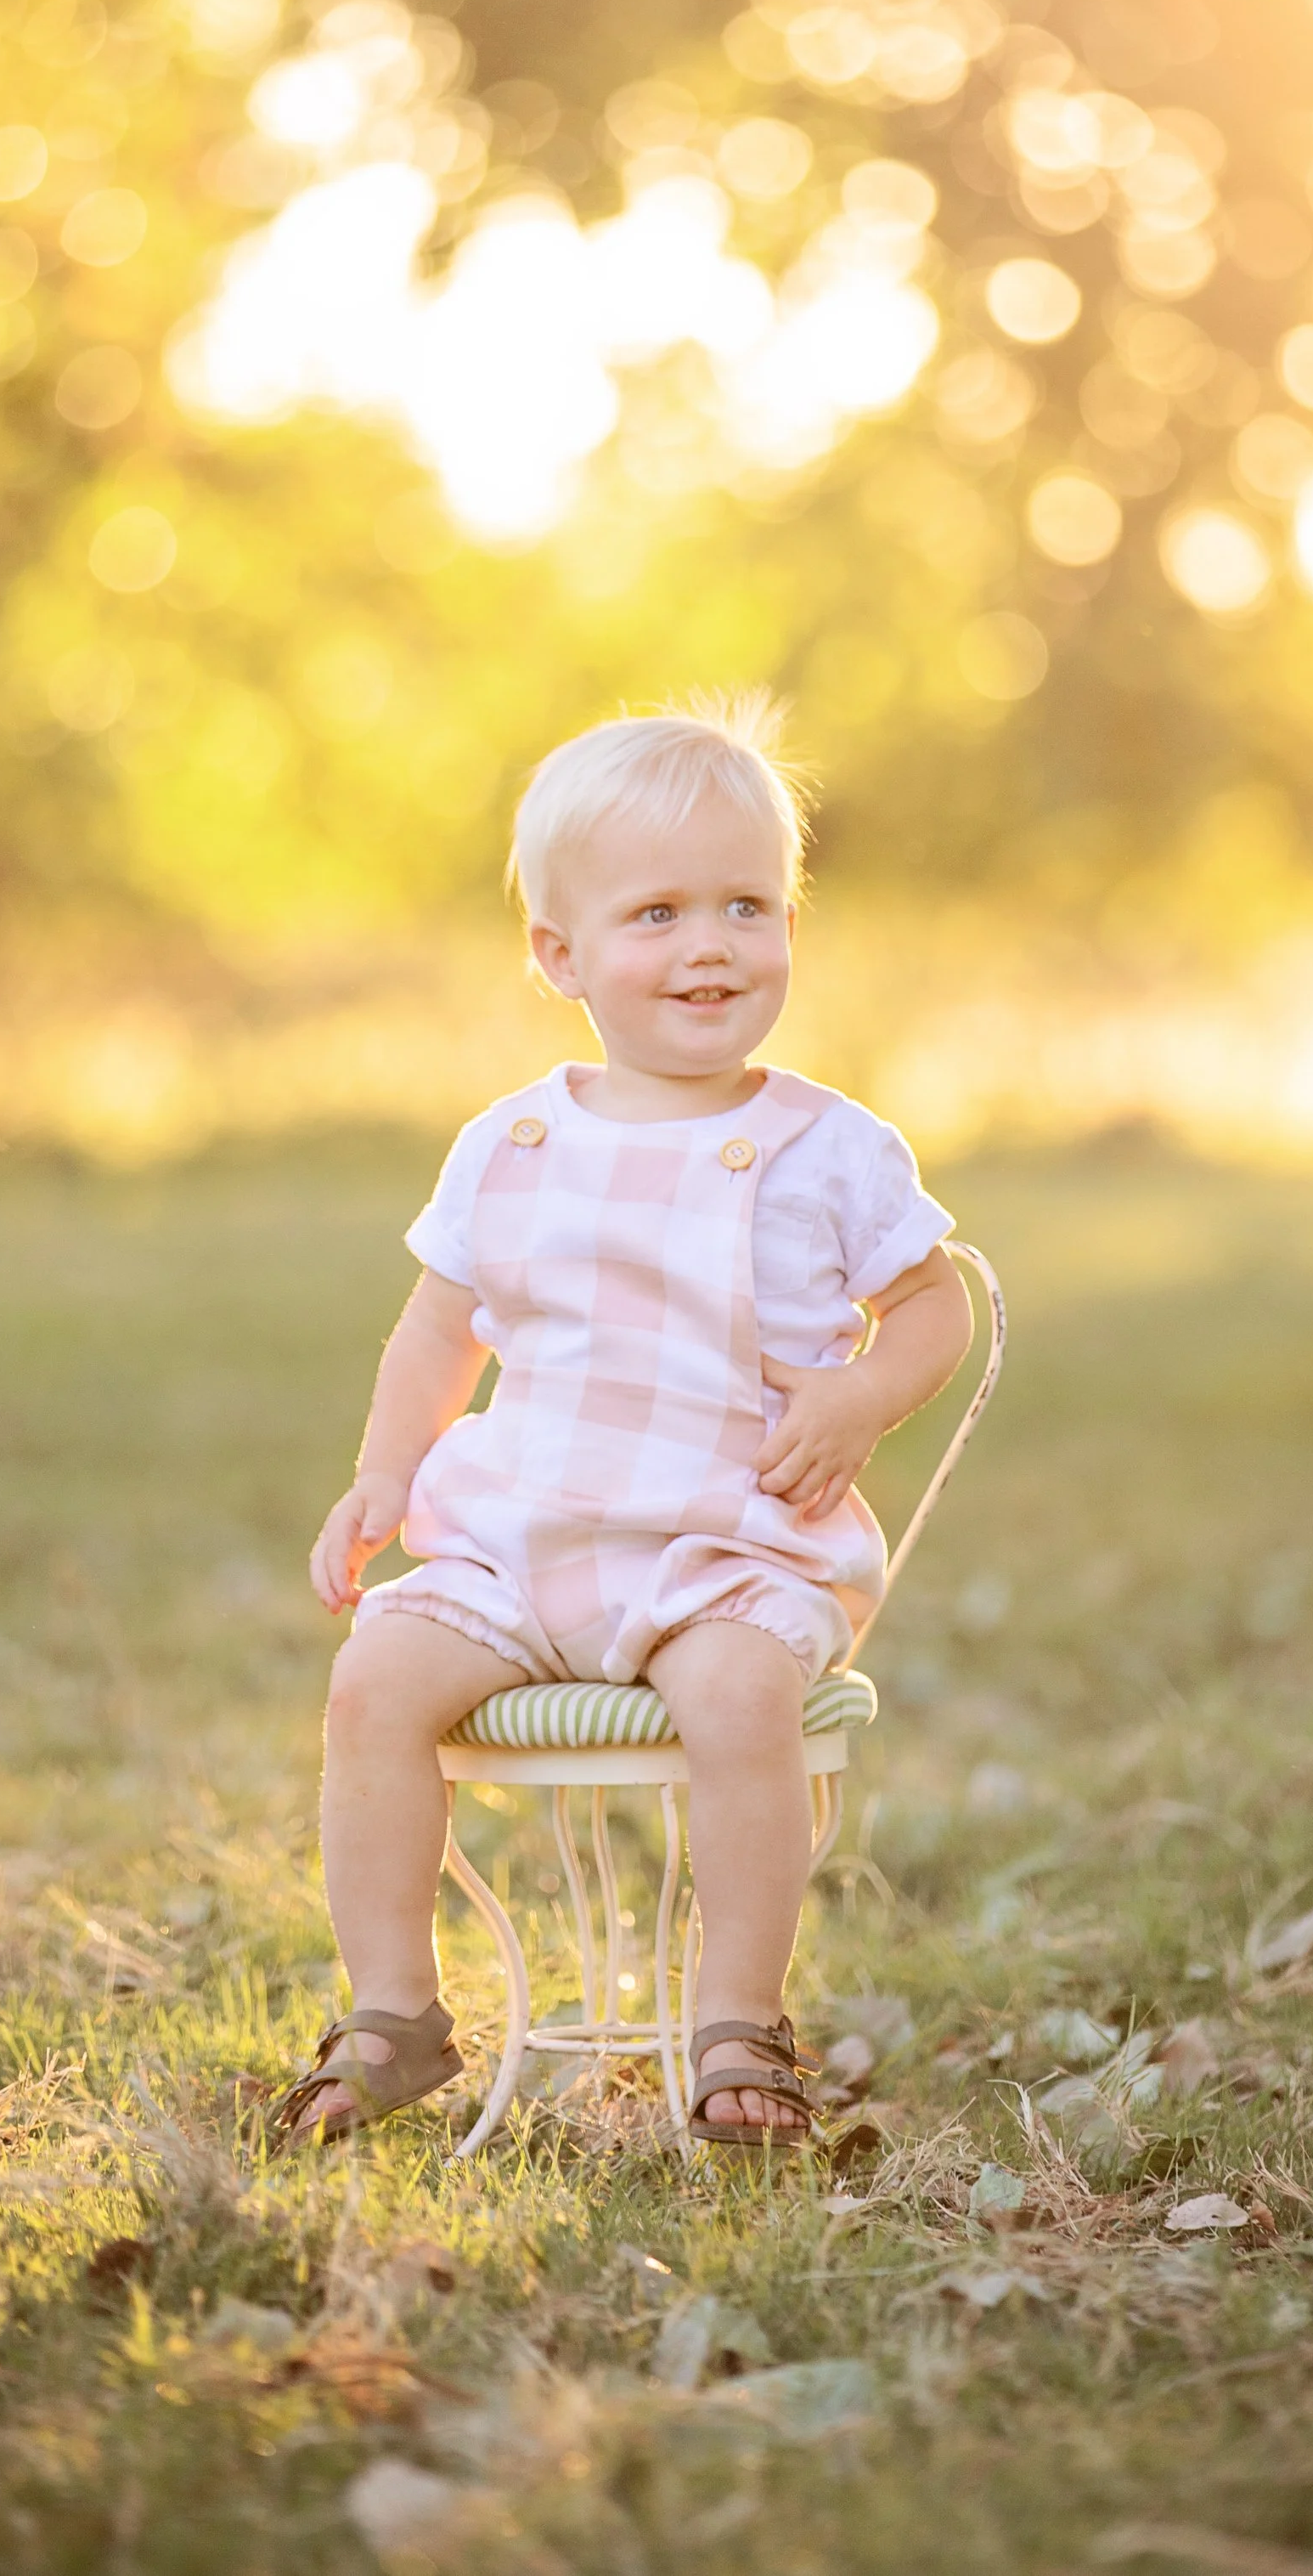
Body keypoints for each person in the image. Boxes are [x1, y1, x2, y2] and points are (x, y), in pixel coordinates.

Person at [276, 699, 970, 2149]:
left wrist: (856, 1393)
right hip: (523, 1536)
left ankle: (738, 2020)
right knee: (371, 1684)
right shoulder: (512, 1141)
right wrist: (383, 1473)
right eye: (656, 911)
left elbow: (933, 1310)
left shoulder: (831, 1147)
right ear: (560, 953)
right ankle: (395, 2004)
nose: (710, 943)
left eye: (747, 905)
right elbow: (437, 1328)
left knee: (733, 1698)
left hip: (724, 1540)